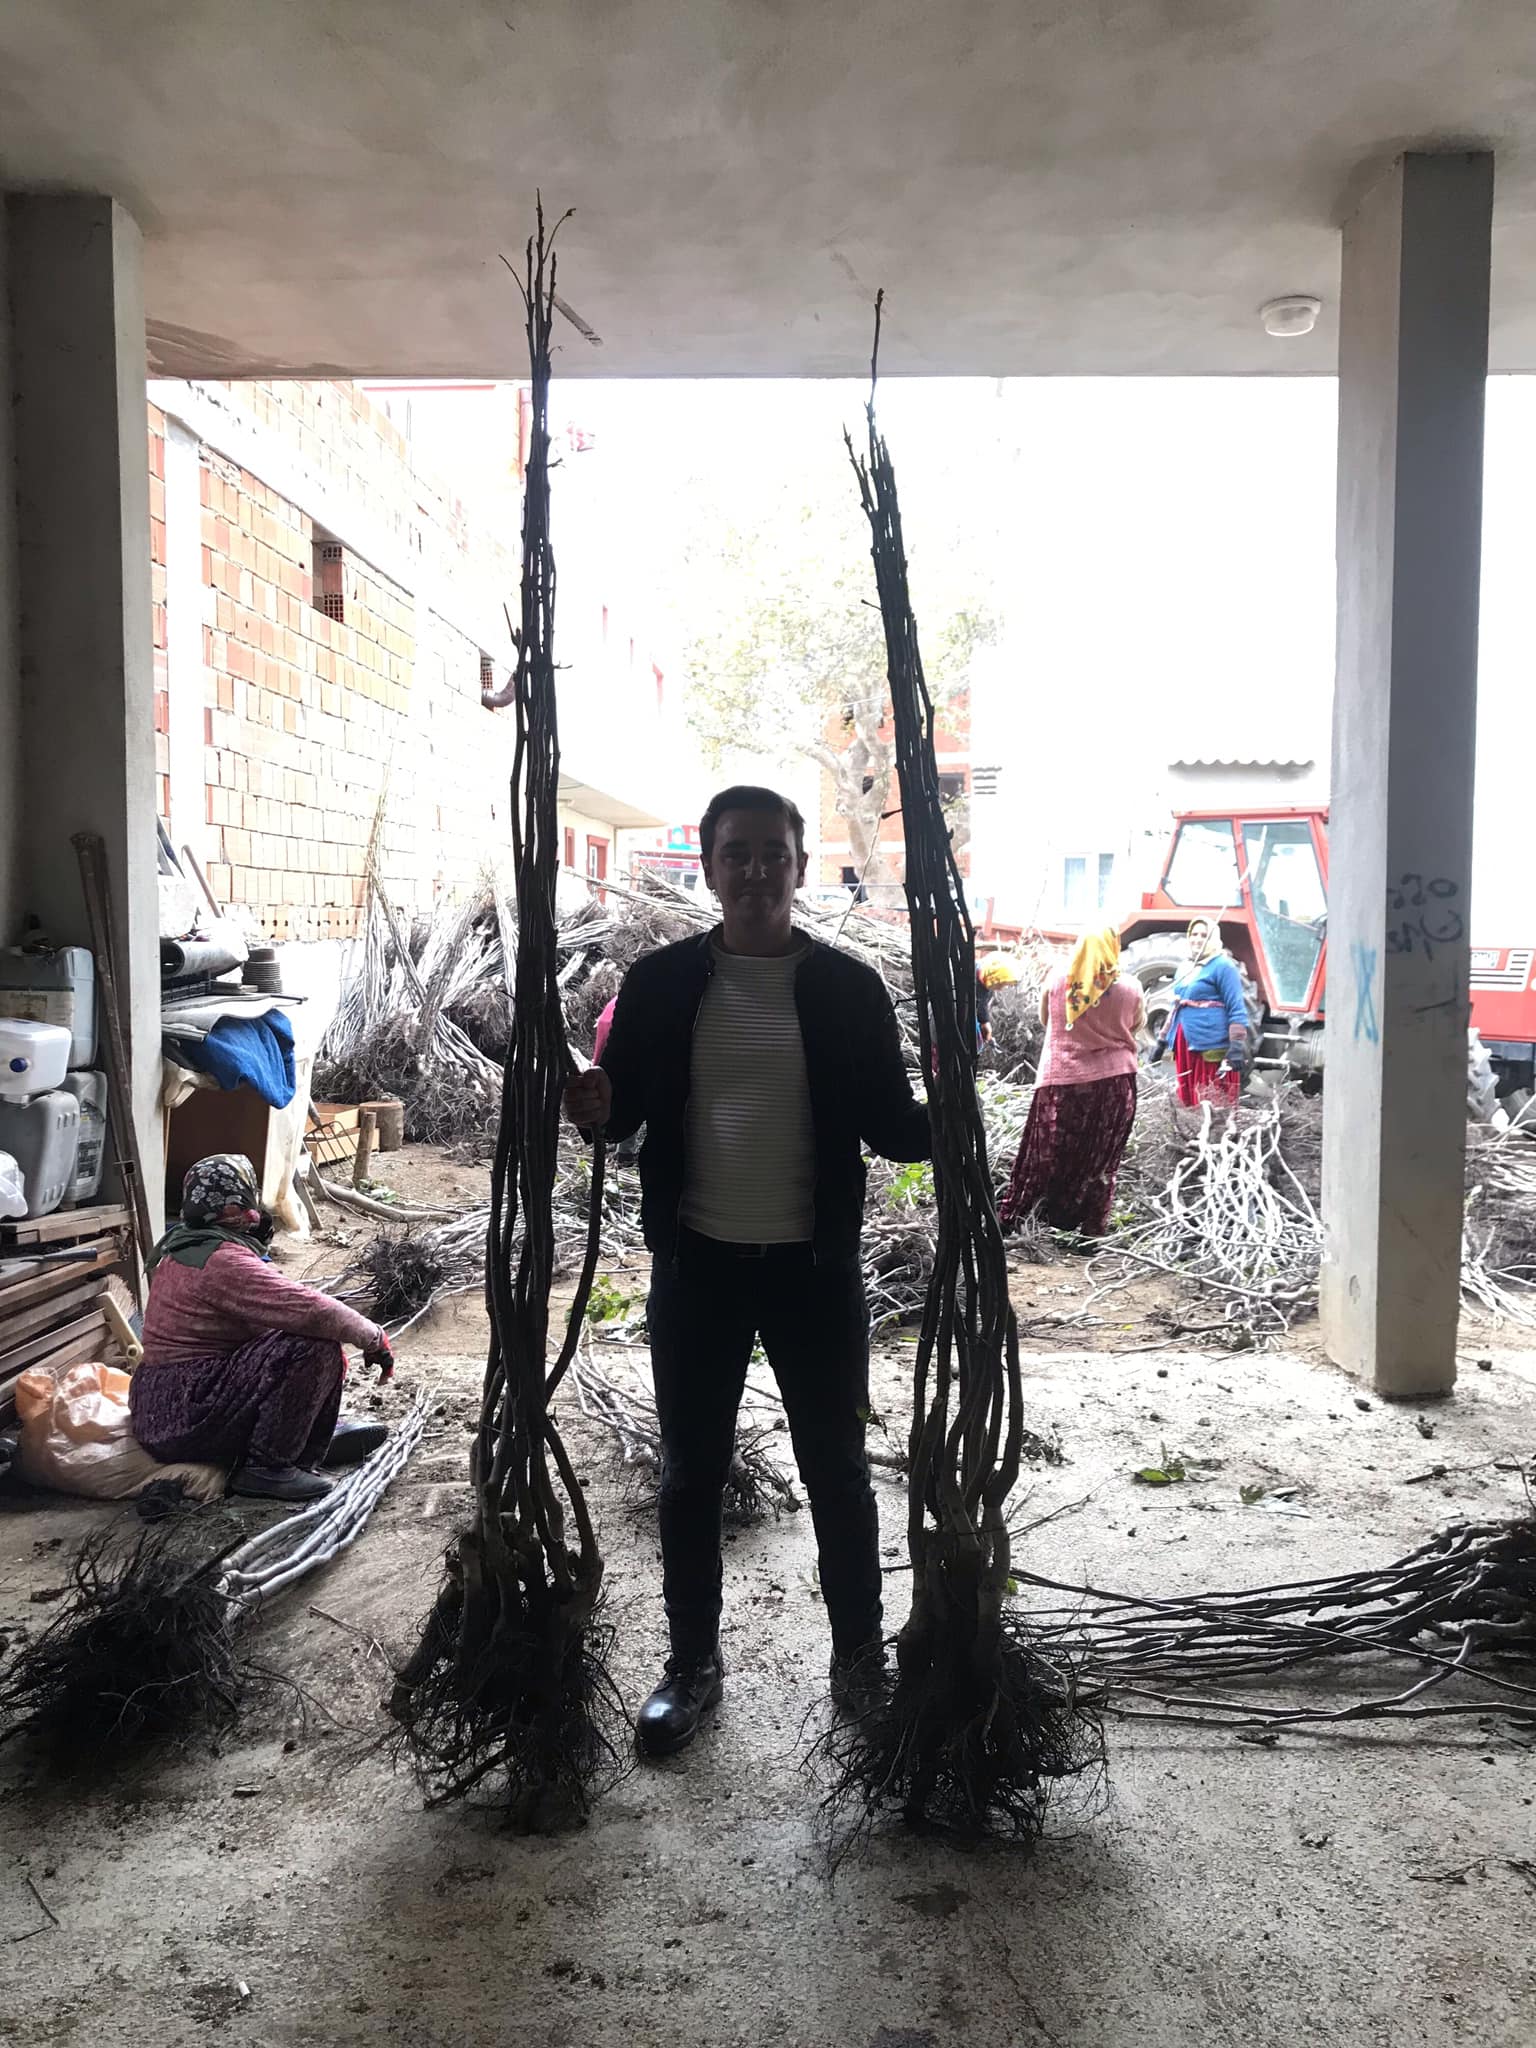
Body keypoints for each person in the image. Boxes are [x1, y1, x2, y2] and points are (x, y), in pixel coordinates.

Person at [563, 784, 930, 1759]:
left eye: (775, 853)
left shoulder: (848, 989)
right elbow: (623, 1113)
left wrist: (955, 1115)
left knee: (837, 1469)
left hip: (814, 1270)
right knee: (691, 1473)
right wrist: (591, 1103)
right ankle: (692, 1664)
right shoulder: (662, 983)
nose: (757, 870)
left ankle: (859, 1660)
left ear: (801, 867)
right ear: (710, 867)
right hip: (699, 1266)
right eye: (738, 853)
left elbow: (894, 1127)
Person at [130, 1154, 394, 1503]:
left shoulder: (183, 1246)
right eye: (245, 1199)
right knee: (311, 1347)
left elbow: (265, 1319)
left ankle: (301, 1441)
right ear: (232, 1206)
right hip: (186, 1415)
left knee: (293, 1340)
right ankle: (266, 1467)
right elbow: (307, 1308)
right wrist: (373, 1337)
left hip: (159, 1410)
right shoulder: (221, 1261)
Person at [999, 924, 1143, 1238]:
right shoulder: (1131, 986)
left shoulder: (1058, 980)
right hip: (1116, 1084)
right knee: (1102, 1162)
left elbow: (1045, 1020)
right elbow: (1137, 1024)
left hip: (1063, 1083)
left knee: (1042, 1158)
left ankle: (1013, 1221)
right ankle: (1091, 1232)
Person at [1146, 917, 1250, 1107]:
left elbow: (1236, 1008)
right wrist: (1162, 1040)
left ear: (1213, 938)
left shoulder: (1223, 966)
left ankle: (1212, 1126)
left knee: (1210, 1096)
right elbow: (1176, 1006)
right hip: (1184, 1041)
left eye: (1204, 935)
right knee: (1187, 1094)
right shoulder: (1185, 967)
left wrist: (1236, 1044)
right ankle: (1191, 1125)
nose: (1198, 939)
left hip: (1210, 1041)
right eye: (1194, 934)